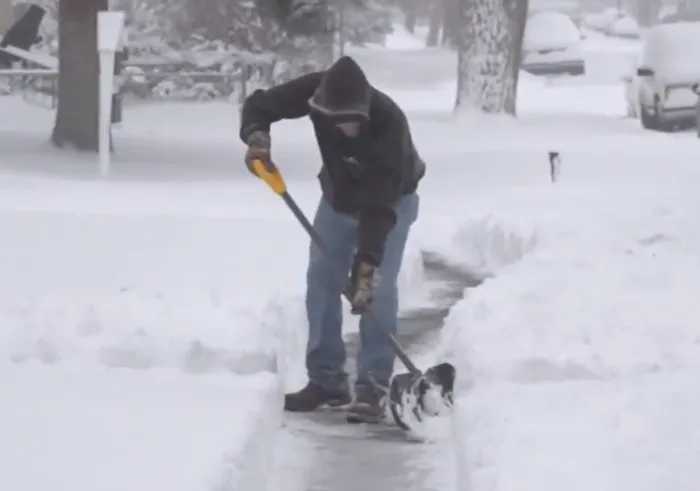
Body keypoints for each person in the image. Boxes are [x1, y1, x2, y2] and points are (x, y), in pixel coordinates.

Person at [239, 55, 425, 423]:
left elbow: (381, 205)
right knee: (322, 279)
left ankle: (373, 386)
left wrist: (366, 264)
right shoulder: (314, 93)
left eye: (353, 121)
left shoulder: (389, 122)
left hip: (391, 202)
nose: (346, 129)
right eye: (338, 121)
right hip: (338, 197)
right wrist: (258, 138)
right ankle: (327, 381)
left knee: (378, 287)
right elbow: (259, 105)